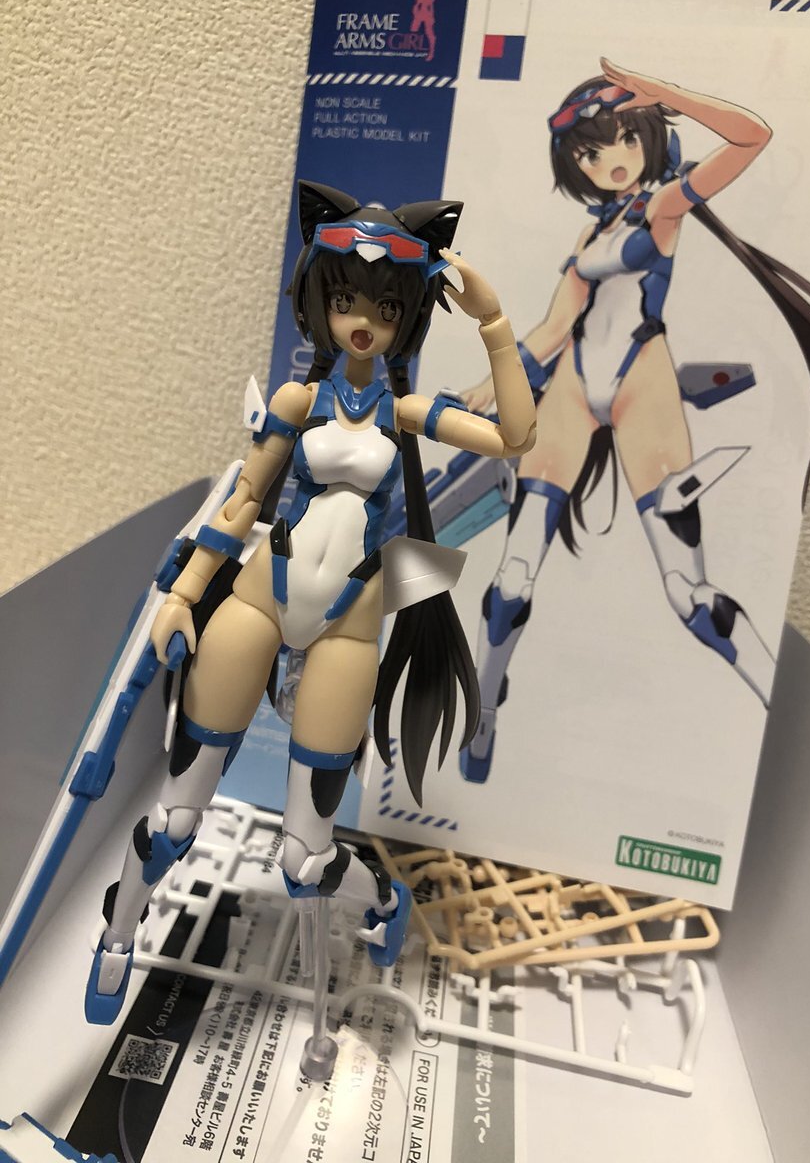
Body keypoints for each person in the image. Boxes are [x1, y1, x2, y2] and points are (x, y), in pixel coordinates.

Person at [84, 180, 536, 1023]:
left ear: (406, 317)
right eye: (346, 300)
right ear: (320, 302)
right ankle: (117, 935)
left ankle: (383, 901)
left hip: (348, 626)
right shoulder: (300, 402)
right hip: (261, 598)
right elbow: (241, 504)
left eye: (384, 307)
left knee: (305, 858)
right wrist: (184, 592)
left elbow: (516, 437)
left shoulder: (407, 411)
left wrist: (495, 324)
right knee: (175, 817)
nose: (362, 320)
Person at [460, 58, 810, 783]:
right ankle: (484, 708)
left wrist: (668, 96)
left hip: (643, 380)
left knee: (692, 597)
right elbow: (554, 328)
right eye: (589, 152)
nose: (610, 160)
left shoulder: (664, 205)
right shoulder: (588, 237)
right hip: (573, 386)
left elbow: (752, 136)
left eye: (624, 139)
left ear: (647, 137)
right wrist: (492, 383)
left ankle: (777, 719)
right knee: (513, 579)